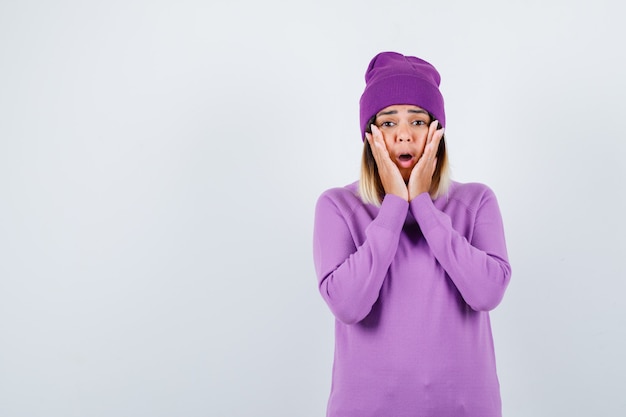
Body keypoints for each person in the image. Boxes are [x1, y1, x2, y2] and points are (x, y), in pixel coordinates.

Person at [312, 51, 512, 417]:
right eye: (388, 123)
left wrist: (422, 203)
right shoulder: (337, 206)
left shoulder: (477, 201)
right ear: (370, 136)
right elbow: (347, 305)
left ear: (437, 133)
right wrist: (393, 207)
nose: (404, 134)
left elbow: (487, 293)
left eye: (418, 121)